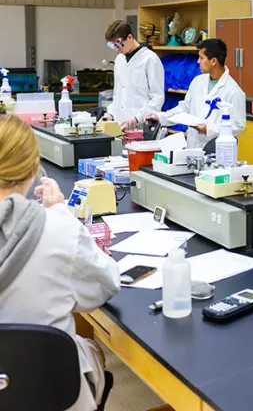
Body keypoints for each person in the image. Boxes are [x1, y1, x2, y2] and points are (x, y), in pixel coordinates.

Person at [0, 115, 120, 410]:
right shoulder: (56, 229)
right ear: (33, 166)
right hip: (53, 396)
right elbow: (104, 284)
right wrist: (61, 213)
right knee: (90, 351)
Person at [146, 38, 246, 150]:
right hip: (193, 149)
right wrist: (160, 117)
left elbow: (238, 126)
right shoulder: (198, 81)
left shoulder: (234, 92)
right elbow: (184, 109)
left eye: (201, 58)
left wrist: (209, 129)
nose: (198, 61)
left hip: (218, 152)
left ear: (213, 61)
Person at [100, 19, 164, 132]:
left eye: (119, 44)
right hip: (120, 126)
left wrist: (136, 118)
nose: (117, 49)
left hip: (142, 127)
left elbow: (157, 98)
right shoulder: (119, 60)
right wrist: (110, 114)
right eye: (112, 46)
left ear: (129, 37)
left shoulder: (150, 59)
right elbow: (118, 94)